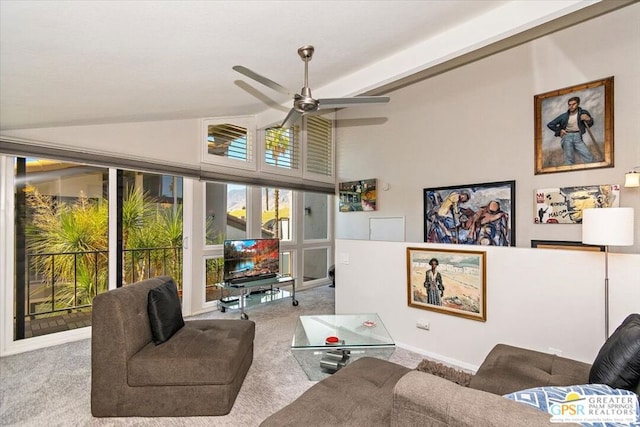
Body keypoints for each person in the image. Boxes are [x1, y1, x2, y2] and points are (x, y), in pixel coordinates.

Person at [546, 96, 595, 165]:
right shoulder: (564, 116)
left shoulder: (583, 113)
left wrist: (588, 119)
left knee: (588, 157)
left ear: (578, 104)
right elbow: (550, 124)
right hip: (567, 136)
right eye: (569, 104)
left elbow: (590, 124)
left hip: (578, 136)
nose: (571, 106)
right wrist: (560, 130)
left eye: (573, 104)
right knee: (569, 159)